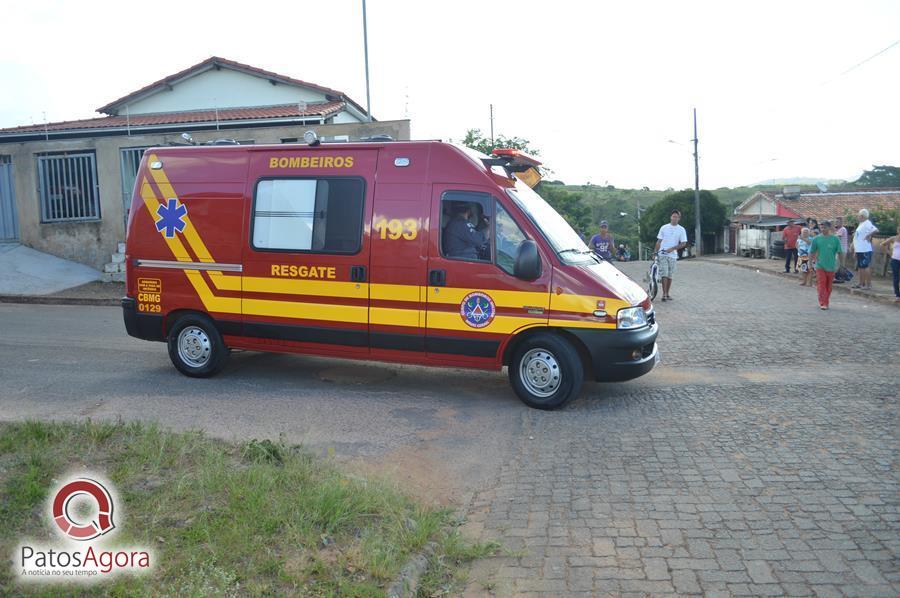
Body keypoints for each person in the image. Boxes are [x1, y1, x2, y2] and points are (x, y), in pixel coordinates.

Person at [654, 209, 689, 301]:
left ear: (679, 218)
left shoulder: (681, 230)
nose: (674, 218)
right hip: (662, 254)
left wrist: (672, 249)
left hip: (673, 255)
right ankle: (664, 294)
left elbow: (683, 243)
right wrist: (655, 252)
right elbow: (659, 241)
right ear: (671, 217)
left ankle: (667, 293)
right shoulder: (664, 228)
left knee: (670, 275)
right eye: (673, 216)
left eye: (676, 217)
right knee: (664, 273)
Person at [809, 220, 843, 310]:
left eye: (824, 227)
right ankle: (823, 303)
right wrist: (810, 264)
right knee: (821, 285)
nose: (822, 228)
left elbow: (840, 252)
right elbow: (811, 252)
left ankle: (825, 301)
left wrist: (841, 265)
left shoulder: (835, 239)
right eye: (821, 227)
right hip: (820, 266)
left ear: (829, 228)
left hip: (831, 266)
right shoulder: (816, 239)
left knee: (829, 286)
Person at [850, 208, 879, 290]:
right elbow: (857, 236)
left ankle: (868, 285)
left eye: (859, 216)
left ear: (862, 216)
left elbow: (876, 230)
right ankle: (861, 283)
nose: (858, 217)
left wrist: (868, 235)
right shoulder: (861, 224)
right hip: (860, 249)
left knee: (865, 266)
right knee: (860, 267)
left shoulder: (867, 223)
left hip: (865, 249)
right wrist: (854, 247)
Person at [879, 224, 900, 302]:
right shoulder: (893, 238)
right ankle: (897, 295)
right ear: (898, 231)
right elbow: (882, 245)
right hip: (895, 260)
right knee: (896, 278)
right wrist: (889, 253)